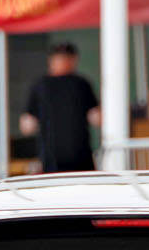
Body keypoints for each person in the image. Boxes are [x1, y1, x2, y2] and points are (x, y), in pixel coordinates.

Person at [20, 42, 100, 173]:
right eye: (60, 58)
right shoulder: (40, 86)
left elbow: (95, 117)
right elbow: (27, 124)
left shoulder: (81, 84)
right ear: (51, 60)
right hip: (51, 158)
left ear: (74, 60)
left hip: (80, 157)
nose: (63, 62)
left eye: (66, 58)